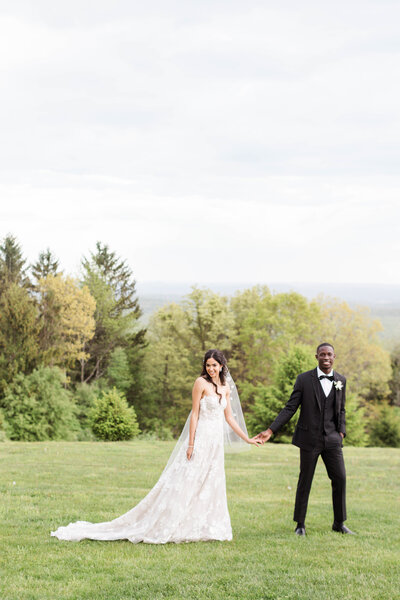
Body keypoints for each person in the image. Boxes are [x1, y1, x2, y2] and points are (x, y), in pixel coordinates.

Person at [51, 349, 260, 544]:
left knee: (210, 482)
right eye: (208, 365)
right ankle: (168, 523)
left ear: (222, 366)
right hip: (201, 438)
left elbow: (229, 418)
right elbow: (195, 414)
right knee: (187, 480)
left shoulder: (225, 388)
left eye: (214, 365)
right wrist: (190, 443)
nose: (211, 369)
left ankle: (205, 527)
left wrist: (248, 438)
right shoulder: (200, 383)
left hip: (215, 443)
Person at [255, 343, 355, 536]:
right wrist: (270, 430)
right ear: (316, 356)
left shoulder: (340, 380)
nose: (326, 357)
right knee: (305, 480)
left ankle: (339, 523)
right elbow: (290, 408)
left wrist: (341, 432)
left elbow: (341, 409)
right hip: (309, 439)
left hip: (333, 440)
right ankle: (300, 524)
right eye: (322, 354)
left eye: (329, 355)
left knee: (340, 478)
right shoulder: (303, 380)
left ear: (335, 357)